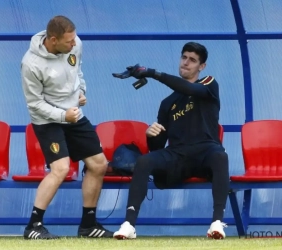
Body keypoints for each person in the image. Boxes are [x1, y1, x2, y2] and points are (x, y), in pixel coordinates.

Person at [113, 42, 229, 240]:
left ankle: (217, 223)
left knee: (220, 156)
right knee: (144, 161)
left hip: (206, 152)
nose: (186, 63)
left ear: (202, 67)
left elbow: (189, 89)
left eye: (192, 60)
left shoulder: (209, 83)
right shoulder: (167, 103)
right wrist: (152, 135)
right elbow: (157, 147)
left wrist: (153, 73)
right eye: (184, 57)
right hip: (177, 156)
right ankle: (128, 225)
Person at [20, 15, 113, 239]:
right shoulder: (30, 64)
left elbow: (77, 72)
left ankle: (88, 226)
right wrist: (63, 115)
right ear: (53, 40)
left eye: (74, 39)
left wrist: (81, 91)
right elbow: (35, 104)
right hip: (48, 120)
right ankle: (33, 226)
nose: (74, 44)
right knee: (60, 169)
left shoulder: (75, 44)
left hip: (74, 114)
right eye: (68, 41)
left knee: (99, 164)